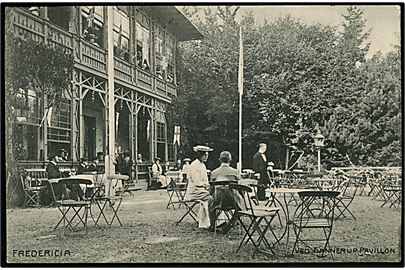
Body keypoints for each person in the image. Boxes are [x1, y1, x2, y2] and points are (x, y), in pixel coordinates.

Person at [208, 151, 241, 233]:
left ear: (219, 160)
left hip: (218, 201)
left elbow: (211, 190)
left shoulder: (214, 172)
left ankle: (212, 225)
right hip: (233, 201)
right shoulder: (235, 172)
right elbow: (240, 188)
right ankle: (230, 224)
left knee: (210, 201)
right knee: (241, 206)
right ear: (230, 160)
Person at [184, 145, 213, 229]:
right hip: (194, 191)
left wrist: (207, 185)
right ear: (200, 155)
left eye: (207, 155)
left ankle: (208, 219)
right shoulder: (193, 165)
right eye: (205, 155)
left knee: (214, 194)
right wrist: (206, 186)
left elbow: (205, 180)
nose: (206, 157)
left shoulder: (202, 165)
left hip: (201, 190)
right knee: (212, 197)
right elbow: (197, 182)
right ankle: (209, 221)